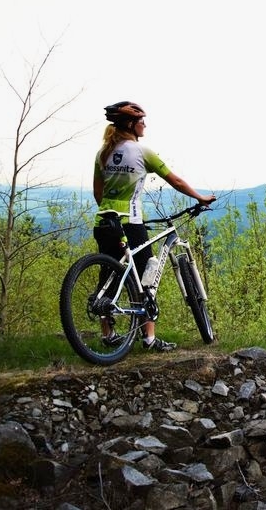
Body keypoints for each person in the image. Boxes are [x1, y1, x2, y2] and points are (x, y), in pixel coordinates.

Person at [93, 101, 216, 352]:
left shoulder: (103, 153)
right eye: (142, 121)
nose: (145, 124)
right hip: (131, 221)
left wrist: (110, 212)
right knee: (147, 275)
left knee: (110, 274)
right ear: (130, 124)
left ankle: (107, 334)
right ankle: (149, 338)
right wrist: (200, 198)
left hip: (104, 221)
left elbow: (98, 192)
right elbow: (176, 181)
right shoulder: (141, 152)